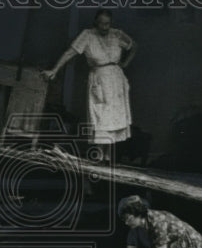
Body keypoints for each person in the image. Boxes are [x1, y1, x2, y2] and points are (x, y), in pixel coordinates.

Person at [42, 9, 138, 146]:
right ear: (95, 22)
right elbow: (70, 53)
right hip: (99, 79)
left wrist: (125, 64)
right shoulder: (87, 35)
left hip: (116, 80)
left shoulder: (117, 34)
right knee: (101, 117)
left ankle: (108, 157)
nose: (105, 27)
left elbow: (134, 46)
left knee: (114, 118)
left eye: (107, 24)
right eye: (101, 24)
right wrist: (54, 70)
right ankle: (100, 155)